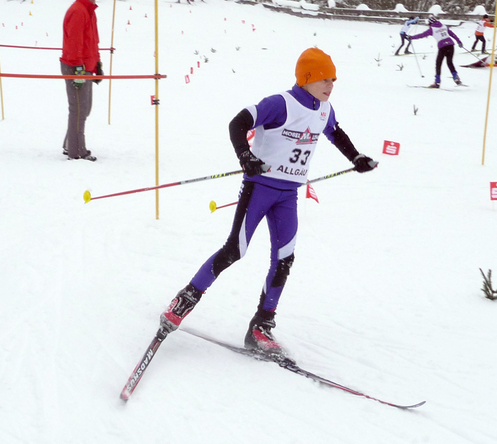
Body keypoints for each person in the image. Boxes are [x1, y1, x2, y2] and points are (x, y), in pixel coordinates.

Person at [157, 48, 377, 354]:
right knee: (235, 250)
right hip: (259, 189)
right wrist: (245, 157)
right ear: (308, 78)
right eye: (325, 79)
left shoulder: (325, 109)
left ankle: (261, 327)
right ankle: (185, 300)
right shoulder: (280, 104)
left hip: (288, 195)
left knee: (285, 258)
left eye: (334, 80)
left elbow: (335, 133)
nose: (330, 85)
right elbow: (238, 123)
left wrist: (356, 157)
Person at [60, 0, 102, 161]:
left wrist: (97, 64)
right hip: (76, 66)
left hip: (86, 66)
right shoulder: (78, 11)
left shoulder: (89, 12)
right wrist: (78, 69)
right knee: (78, 109)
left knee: (84, 108)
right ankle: (76, 151)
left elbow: (93, 42)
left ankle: (70, 144)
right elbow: (73, 44)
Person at [409, 15, 463, 88]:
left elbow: (422, 35)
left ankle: (437, 82)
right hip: (451, 45)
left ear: (430, 23)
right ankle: (456, 78)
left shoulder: (432, 29)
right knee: (449, 62)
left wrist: (411, 37)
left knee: (438, 64)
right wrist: (459, 41)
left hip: (442, 46)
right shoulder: (444, 26)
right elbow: (452, 34)